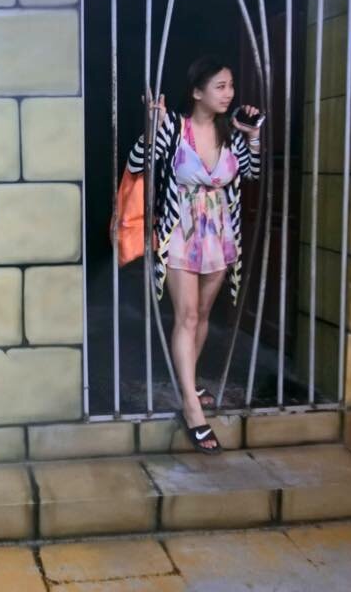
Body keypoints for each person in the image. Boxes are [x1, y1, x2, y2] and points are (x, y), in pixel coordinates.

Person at [117, 55, 261, 453]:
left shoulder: (230, 132)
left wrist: (251, 135)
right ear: (197, 92)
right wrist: (151, 129)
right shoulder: (174, 128)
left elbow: (251, 172)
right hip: (181, 232)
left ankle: (188, 384)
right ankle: (192, 407)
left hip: (220, 235)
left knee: (203, 316)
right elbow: (136, 164)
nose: (229, 94)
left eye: (231, 86)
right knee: (188, 315)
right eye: (220, 86)